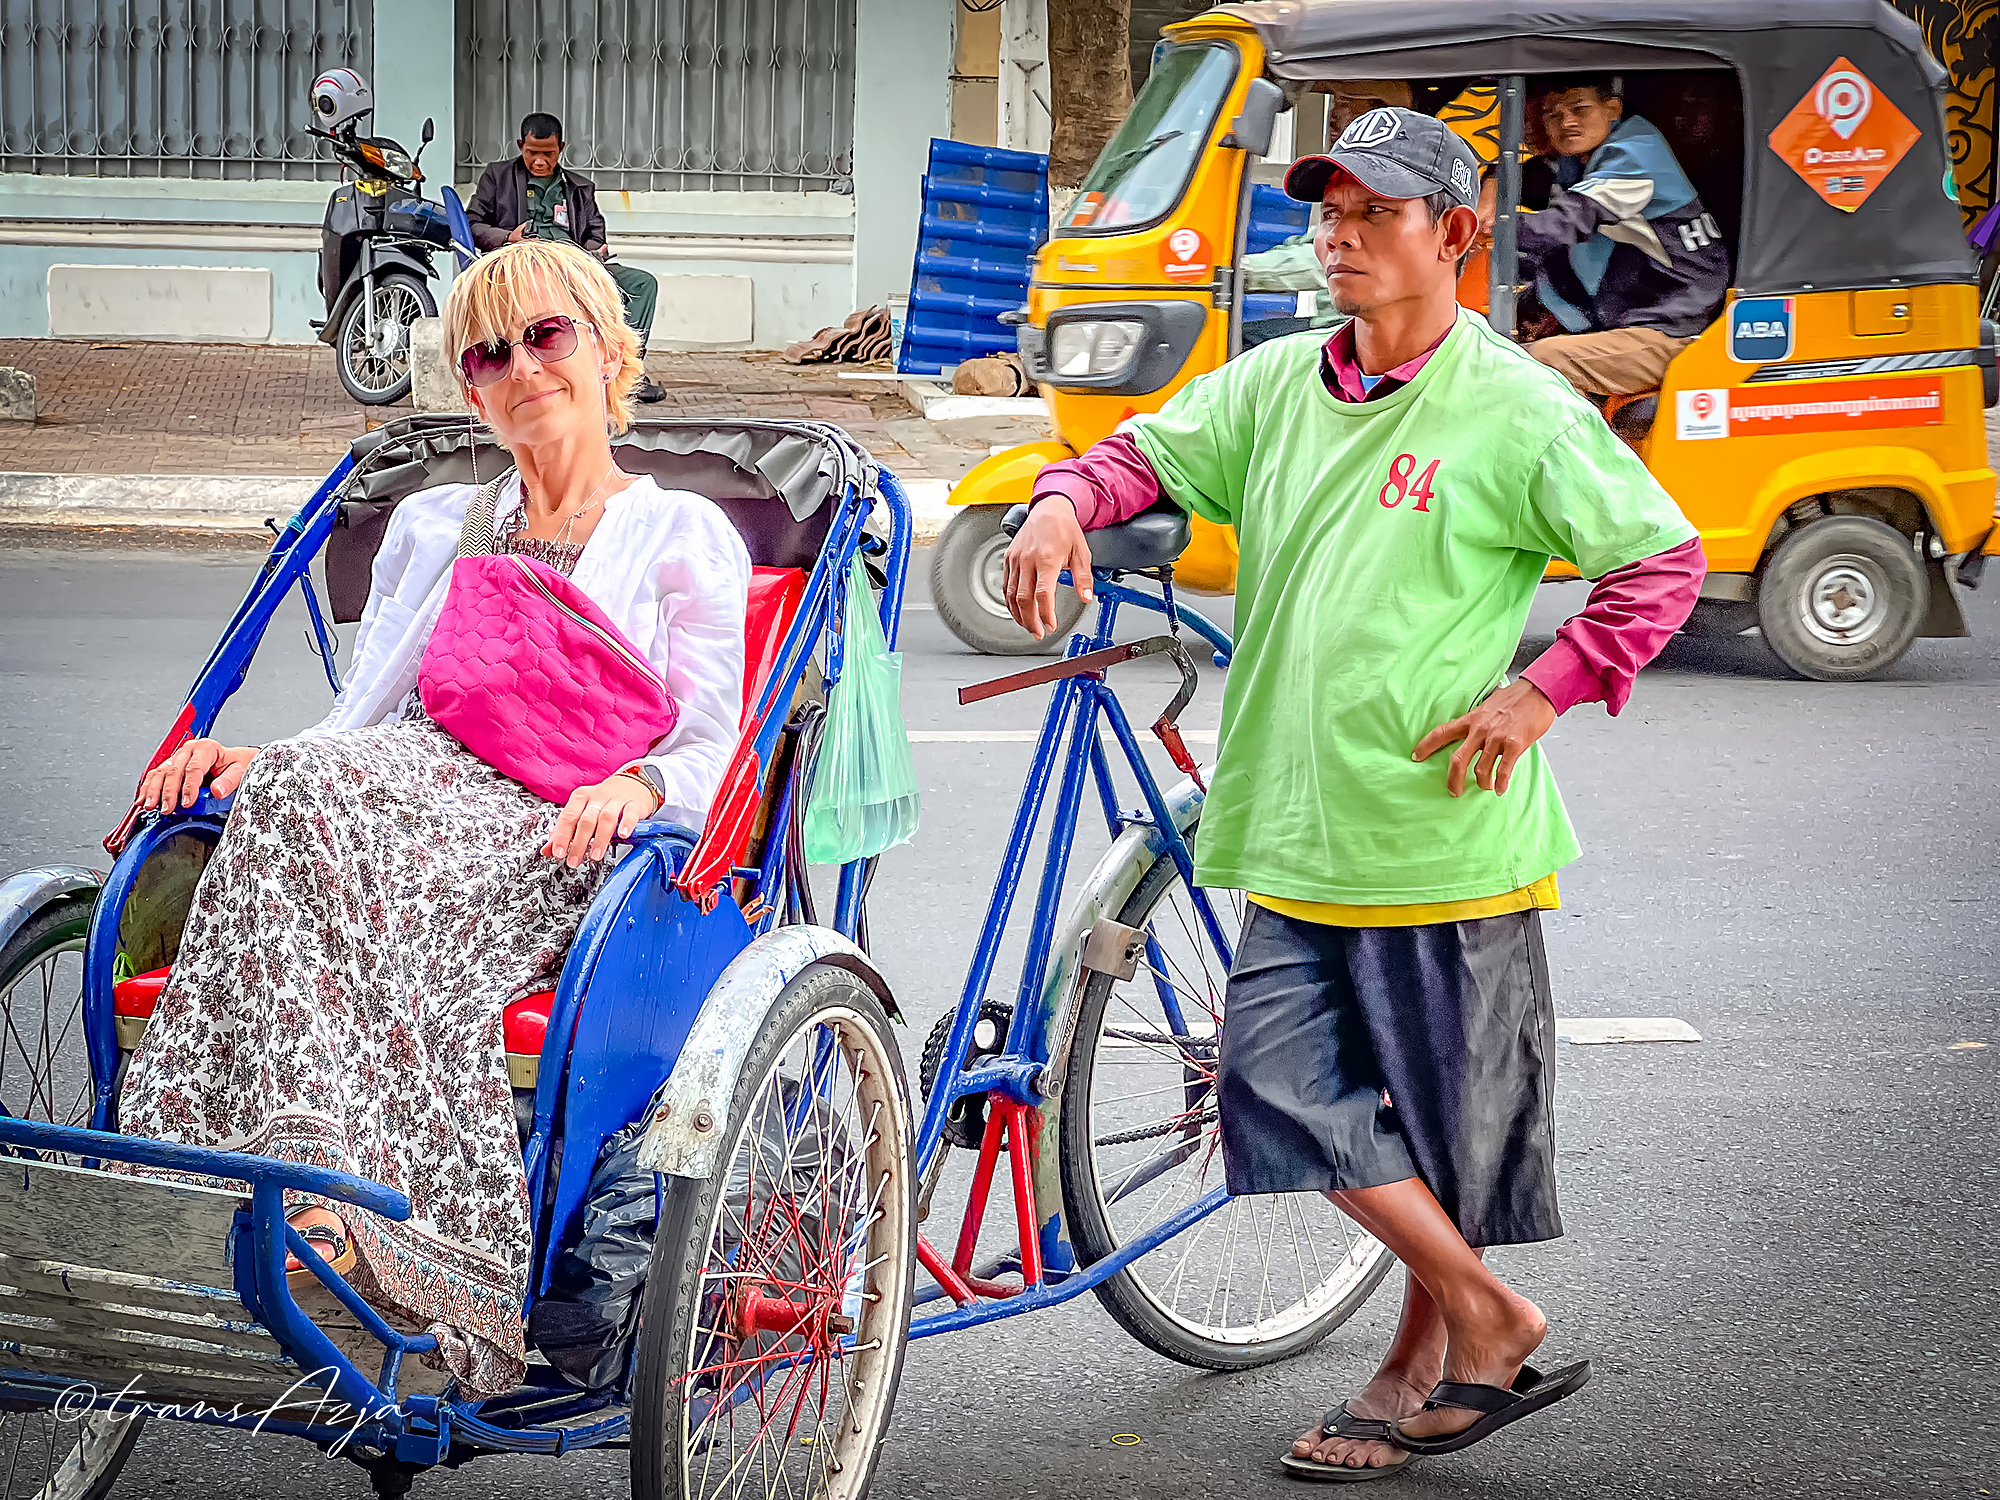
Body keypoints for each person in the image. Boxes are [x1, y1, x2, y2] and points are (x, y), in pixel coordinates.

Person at [1004, 106, 1705, 1479]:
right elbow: (1141, 453)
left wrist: (1540, 690)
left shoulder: (1513, 405)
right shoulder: (1276, 386)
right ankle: (1490, 1319)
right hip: (1294, 831)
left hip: (1442, 838)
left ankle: (1419, 1364)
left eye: (1374, 210)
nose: (1337, 232)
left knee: (1438, 1136)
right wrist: (1053, 504)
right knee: (1271, 1094)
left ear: (1452, 233)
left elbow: (1658, 562)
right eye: (1326, 209)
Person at [117, 239, 751, 1399]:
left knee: (309, 803)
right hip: (398, 789)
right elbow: (363, 715)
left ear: (611, 353)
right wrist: (247, 759)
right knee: (287, 794)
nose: (519, 366)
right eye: (487, 353)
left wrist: (640, 785)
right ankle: (236, 1180)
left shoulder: (681, 535)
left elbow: (714, 742)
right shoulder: (436, 525)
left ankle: (357, 1216)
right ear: (471, 388)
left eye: (546, 337)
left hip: (559, 831)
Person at [1482, 76, 1729, 399]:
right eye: (1553, 114)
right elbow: (1525, 177)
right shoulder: (1584, 155)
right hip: (1636, 315)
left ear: (1613, 108)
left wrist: (1481, 227)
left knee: (1534, 364)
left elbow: (1567, 223)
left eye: (1579, 109)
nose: (1566, 122)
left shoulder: (1635, 157)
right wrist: (1490, 187)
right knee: (1486, 338)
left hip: (1675, 331)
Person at [468, 112, 667, 403]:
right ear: (520, 145)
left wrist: (593, 251)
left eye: (548, 154)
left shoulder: (578, 187)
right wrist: (510, 237)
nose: (539, 161)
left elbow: (595, 231)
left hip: (576, 269)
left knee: (641, 284)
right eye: (531, 153)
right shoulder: (497, 178)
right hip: (525, 267)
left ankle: (625, 370)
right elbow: (472, 224)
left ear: (561, 148)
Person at [1242, 83, 1416, 349]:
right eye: (1334, 103)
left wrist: (1239, 272)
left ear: (1379, 118)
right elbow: (1311, 244)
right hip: (1332, 323)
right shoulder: (1347, 181)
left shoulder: (1392, 185)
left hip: (1352, 331)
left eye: (1346, 104)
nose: (1333, 115)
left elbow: (1323, 261)